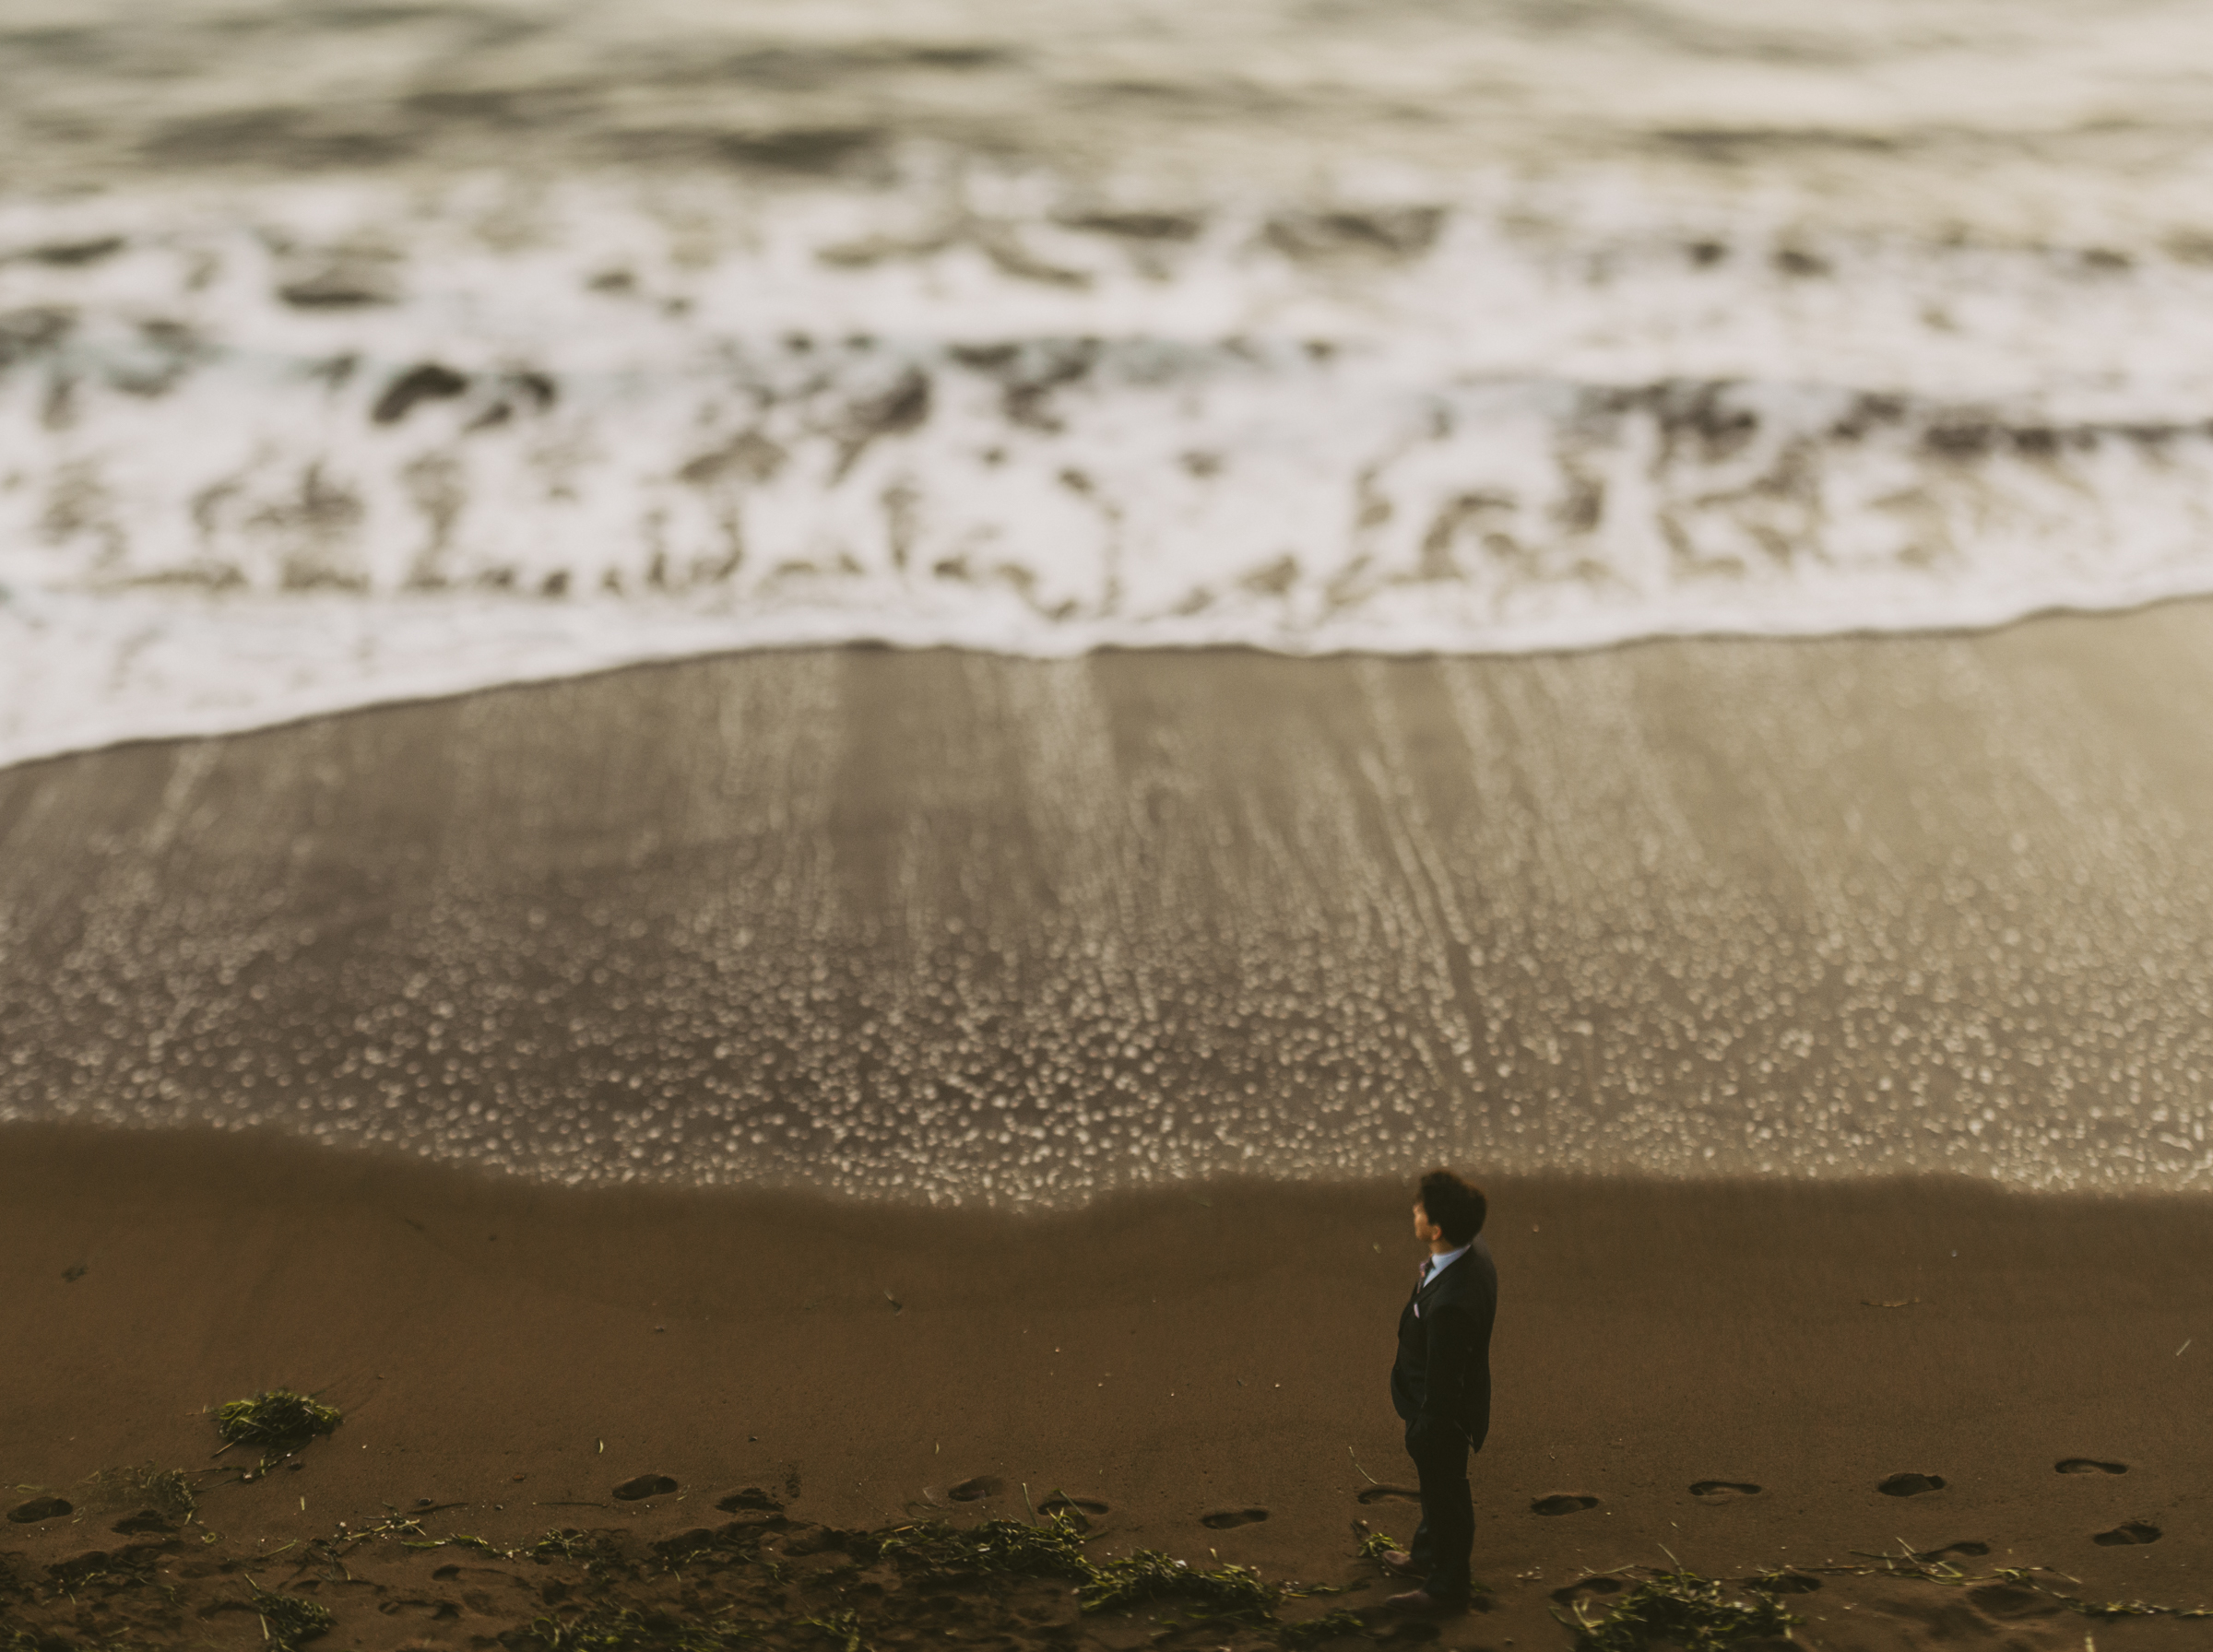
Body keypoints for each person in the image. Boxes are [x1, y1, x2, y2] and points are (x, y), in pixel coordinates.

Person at [1382, 1167, 1497, 1614]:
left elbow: (1445, 1383)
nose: (1413, 1209)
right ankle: (1426, 1556)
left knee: (1446, 1495)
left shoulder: (1452, 1304)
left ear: (1437, 1228)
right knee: (1435, 1492)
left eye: (1420, 1208)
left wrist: (1425, 1429)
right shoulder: (1469, 1251)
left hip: (1441, 1415)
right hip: (1436, 1399)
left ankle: (1448, 1586)